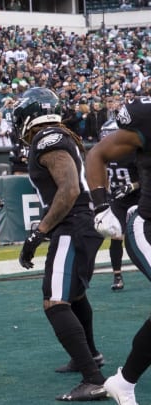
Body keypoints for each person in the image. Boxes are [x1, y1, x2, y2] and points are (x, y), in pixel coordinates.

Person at [13, 87, 107, 401]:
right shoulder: (57, 135)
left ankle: (93, 379)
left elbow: (67, 189)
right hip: (80, 224)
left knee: (54, 301)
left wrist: (38, 233)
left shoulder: (47, 139)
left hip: (74, 224)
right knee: (75, 294)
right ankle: (90, 355)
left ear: (29, 116)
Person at [85, 95, 151, 405]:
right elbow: (97, 153)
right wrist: (101, 206)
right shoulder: (145, 115)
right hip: (148, 226)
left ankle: (122, 383)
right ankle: (124, 383)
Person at [97, 119, 140, 291]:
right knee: (116, 235)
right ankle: (117, 275)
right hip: (118, 199)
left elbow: (147, 178)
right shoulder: (101, 155)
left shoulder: (134, 153)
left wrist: (132, 186)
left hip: (138, 196)